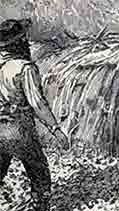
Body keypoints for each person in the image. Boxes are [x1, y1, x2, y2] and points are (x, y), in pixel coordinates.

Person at [0, 18, 69, 211]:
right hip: (18, 128)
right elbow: (37, 103)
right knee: (38, 171)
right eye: (24, 39)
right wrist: (55, 129)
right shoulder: (24, 68)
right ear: (19, 42)